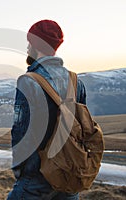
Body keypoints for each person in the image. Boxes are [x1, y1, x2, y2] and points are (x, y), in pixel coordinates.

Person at [7, 20, 86, 200]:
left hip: (36, 178)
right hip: (69, 177)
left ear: (36, 45)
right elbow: (81, 131)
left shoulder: (28, 81)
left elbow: (20, 131)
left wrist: (21, 171)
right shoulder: (76, 82)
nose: (27, 47)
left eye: (30, 42)